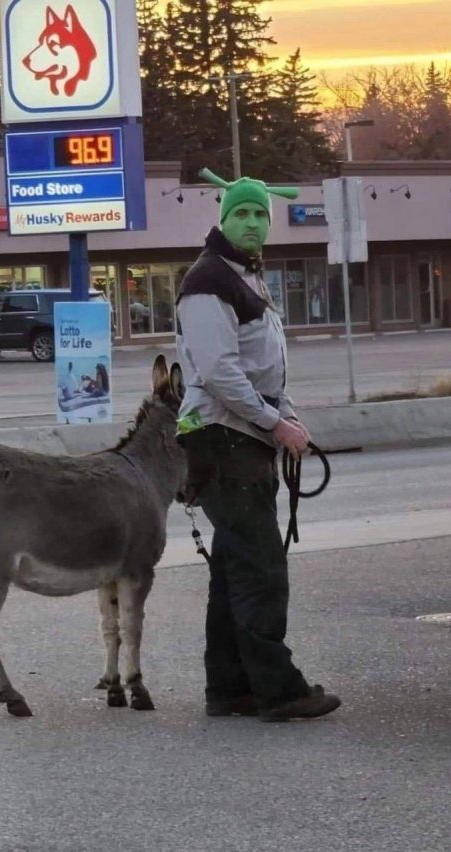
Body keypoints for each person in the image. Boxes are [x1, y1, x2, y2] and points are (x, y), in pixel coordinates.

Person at [175, 169, 341, 722]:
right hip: (224, 440)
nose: (251, 222)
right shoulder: (208, 282)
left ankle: (230, 688)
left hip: (240, 439)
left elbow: (260, 367)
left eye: (259, 214)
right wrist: (275, 423)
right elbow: (221, 372)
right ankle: (279, 690)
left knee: (234, 571)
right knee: (262, 571)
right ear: (222, 219)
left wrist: (285, 413)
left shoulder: (244, 278)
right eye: (241, 213)